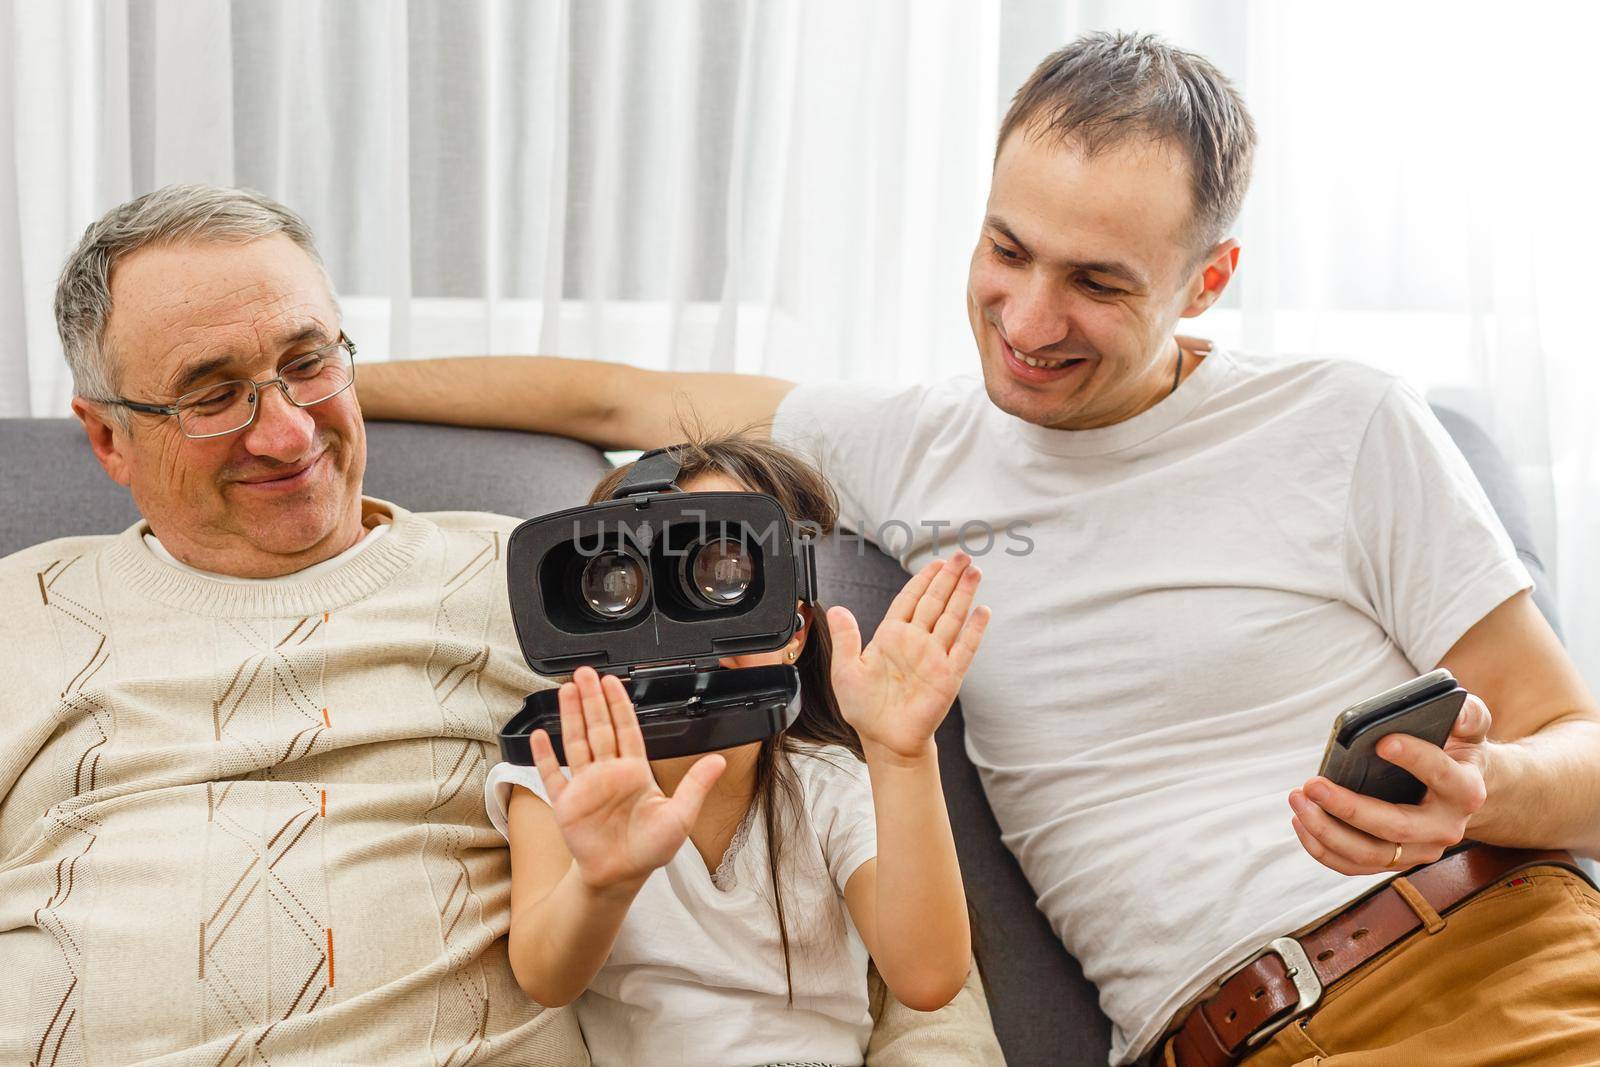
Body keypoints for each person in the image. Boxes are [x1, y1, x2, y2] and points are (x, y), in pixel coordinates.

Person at [359, 31, 1600, 1067]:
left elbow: (1578, 747)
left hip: (1502, 962)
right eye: (1006, 250)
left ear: (1207, 278)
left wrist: (1484, 793)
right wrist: (315, 392)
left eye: (1099, 284)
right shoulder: (909, 445)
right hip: (1219, 1039)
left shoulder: (1345, 420)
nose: (1027, 320)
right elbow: (612, 402)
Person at [0, 185, 1002, 1066]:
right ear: (105, 436)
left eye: (310, 364)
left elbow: (888, 931)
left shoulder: (565, 588)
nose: (288, 430)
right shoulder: (22, 613)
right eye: (214, 396)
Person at [489, 435, 994, 1066]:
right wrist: (602, 883)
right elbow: (543, 977)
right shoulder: (560, 781)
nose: (681, 634)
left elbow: (927, 979)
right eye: (628, 582)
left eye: (725, 572)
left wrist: (902, 756)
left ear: (794, 630)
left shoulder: (826, 787)